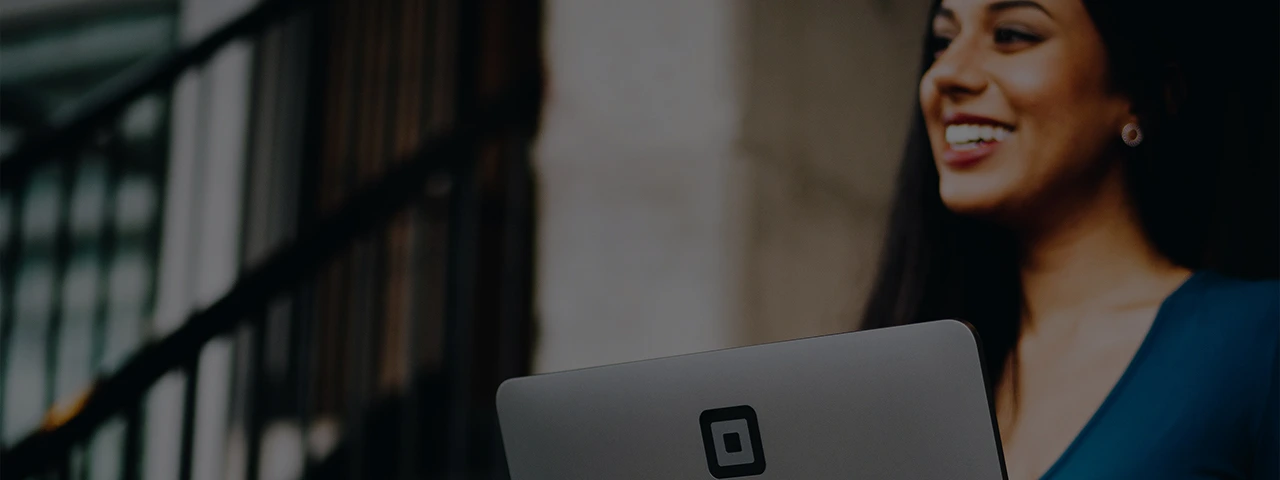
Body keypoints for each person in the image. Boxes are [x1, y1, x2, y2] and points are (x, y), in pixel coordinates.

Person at [860, 0, 1279, 478]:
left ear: (1138, 96)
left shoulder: (1258, 343)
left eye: (1013, 34)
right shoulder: (909, 372)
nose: (945, 74)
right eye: (943, 40)